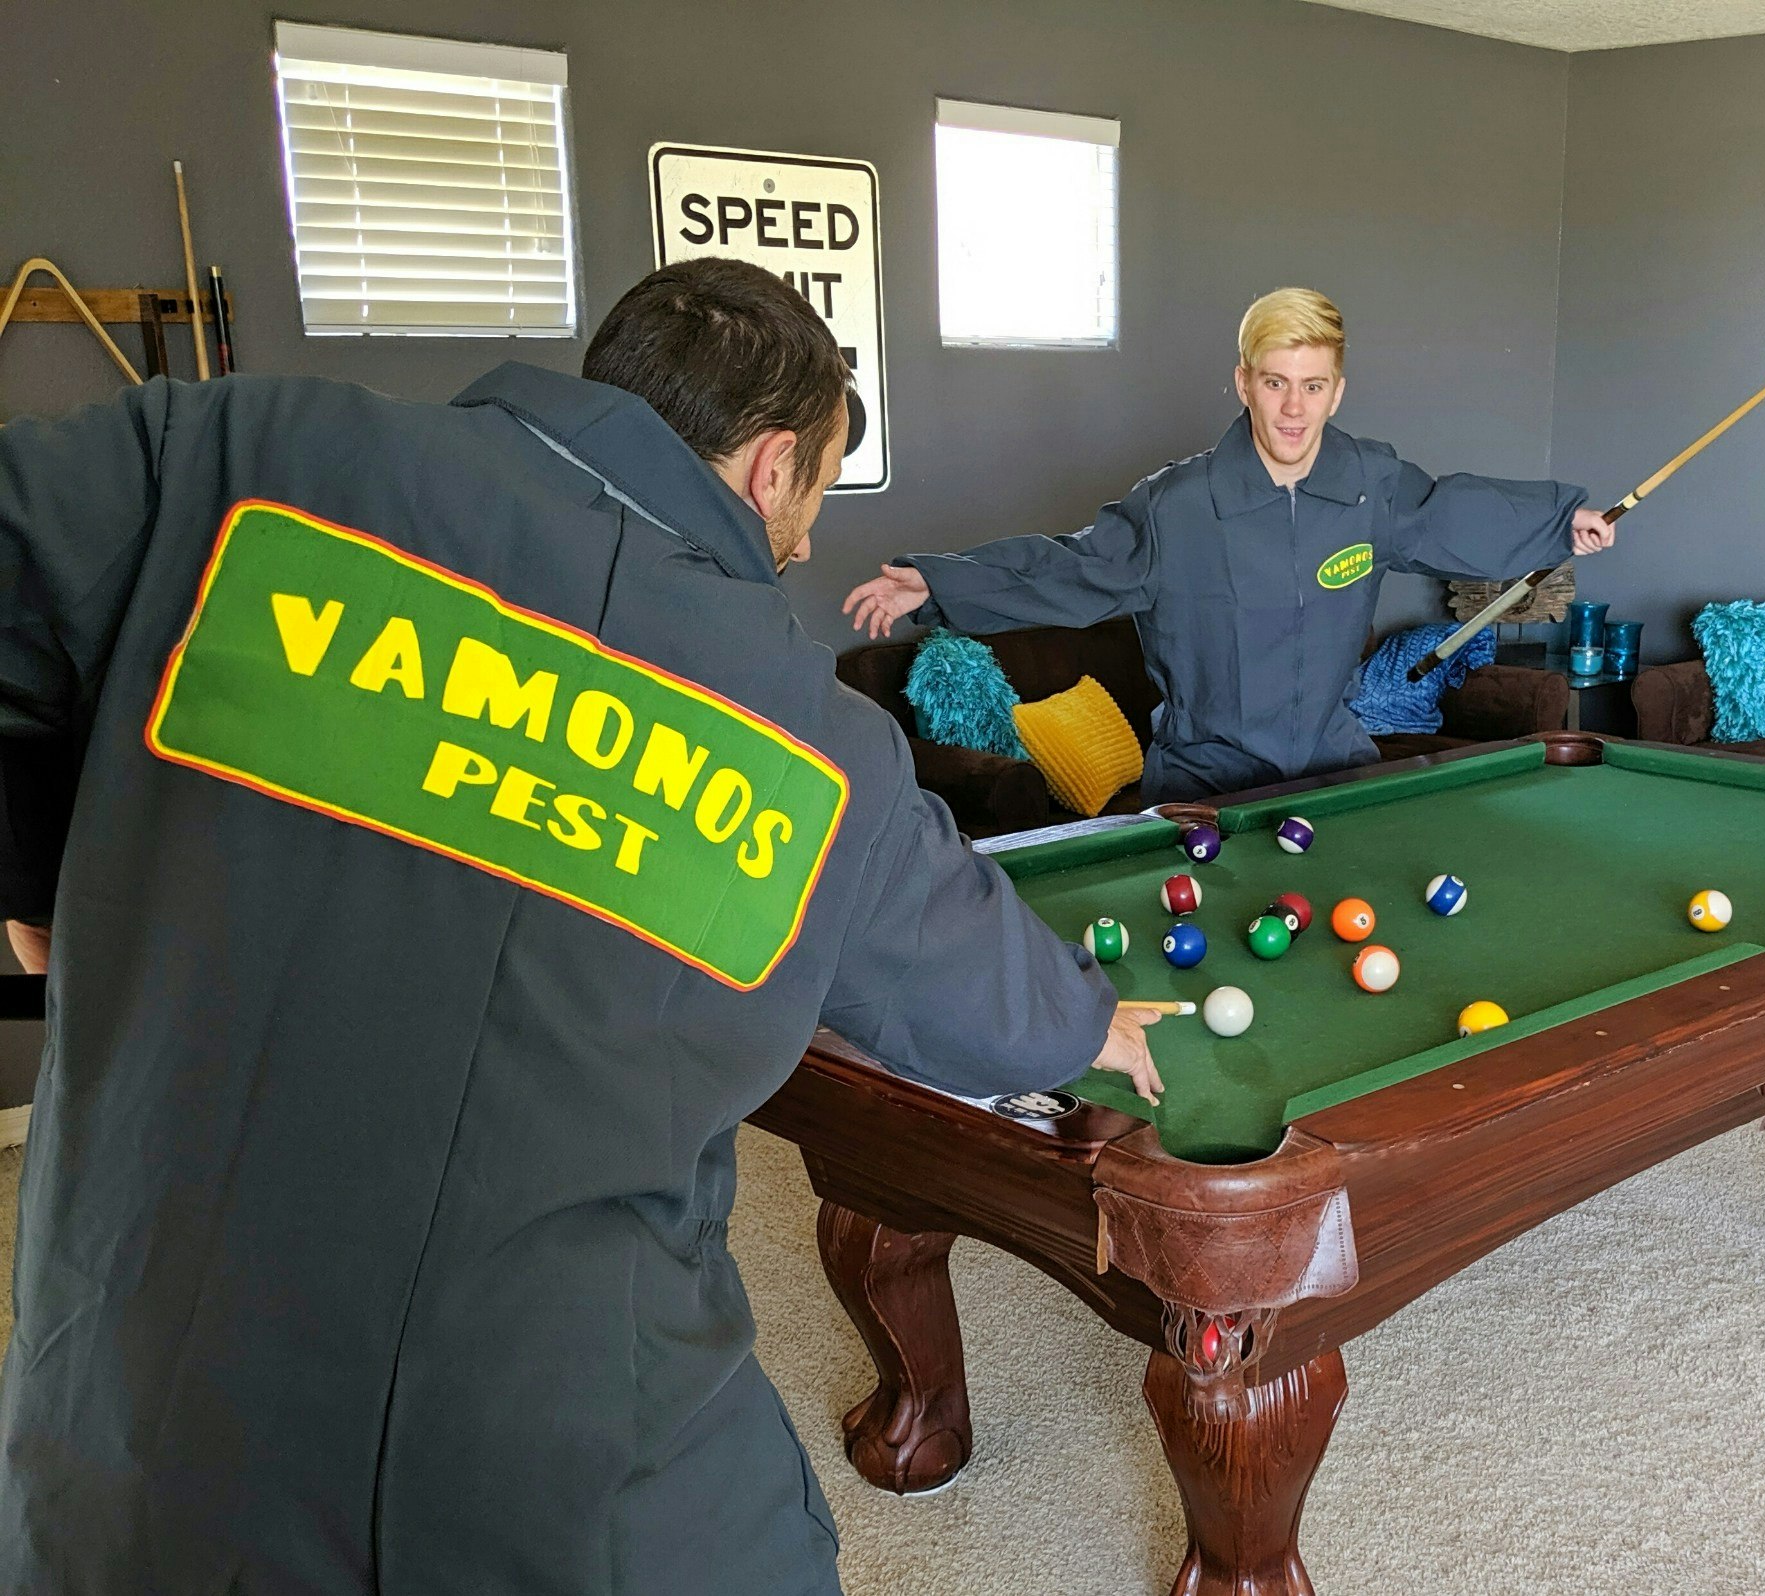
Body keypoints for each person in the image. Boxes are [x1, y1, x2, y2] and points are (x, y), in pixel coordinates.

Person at [0, 257, 1160, 1595]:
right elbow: (969, 995)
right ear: (769, 467)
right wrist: (1087, 1017)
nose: (799, 540)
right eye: (819, 492)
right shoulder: (809, 736)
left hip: (137, 1456)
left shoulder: (237, 458)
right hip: (580, 1490)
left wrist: (41, 875)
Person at [842, 288, 1616, 801]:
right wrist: (939, 584)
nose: (1293, 407)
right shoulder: (1180, 505)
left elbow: (1454, 514)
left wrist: (1560, 522)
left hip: (1334, 775)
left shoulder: (1369, 482)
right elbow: (1074, 568)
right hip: (1206, 789)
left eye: (1313, 386)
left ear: (1338, 390)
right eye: (1276, 382)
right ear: (1244, 382)